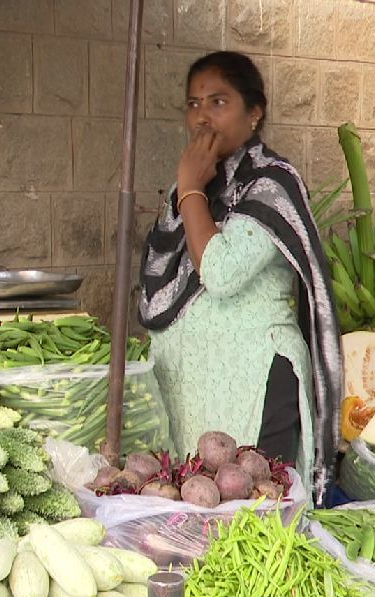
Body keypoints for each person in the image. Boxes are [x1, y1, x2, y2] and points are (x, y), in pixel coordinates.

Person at [138, 50, 343, 496]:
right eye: (193, 104)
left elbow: (221, 270)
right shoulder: (187, 190)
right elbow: (159, 280)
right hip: (192, 389)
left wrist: (191, 187)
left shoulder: (271, 185)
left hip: (255, 382)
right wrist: (190, 188)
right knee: (200, 513)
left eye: (218, 102)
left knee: (258, 511)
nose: (202, 117)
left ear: (254, 113)